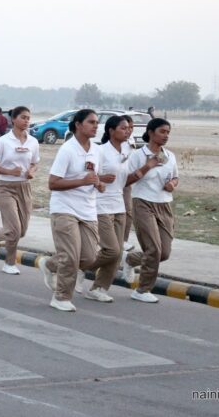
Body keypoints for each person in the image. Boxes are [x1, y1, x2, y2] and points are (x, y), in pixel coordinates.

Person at [38, 109, 103, 312]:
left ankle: (51, 264)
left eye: (96, 122)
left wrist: (99, 184)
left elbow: (94, 177)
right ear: (78, 125)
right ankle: (61, 297)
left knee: (90, 258)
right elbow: (53, 183)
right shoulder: (67, 150)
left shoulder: (96, 150)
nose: (96, 126)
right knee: (71, 256)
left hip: (88, 210)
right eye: (91, 122)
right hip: (64, 209)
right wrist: (82, 181)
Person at [122, 118, 179, 303]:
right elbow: (126, 180)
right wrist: (148, 166)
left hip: (164, 205)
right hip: (143, 203)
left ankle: (130, 259)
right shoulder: (138, 155)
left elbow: (175, 177)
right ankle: (142, 290)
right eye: (162, 131)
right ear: (151, 132)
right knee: (153, 249)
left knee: (164, 253)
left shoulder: (170, 156)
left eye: (168, 132)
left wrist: (172, 184)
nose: (166, 136)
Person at [85, 115, 134, 303]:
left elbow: (126, 179)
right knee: (112, 250)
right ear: (111, 131)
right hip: (100, 205)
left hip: (119, 205)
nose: (127, 131)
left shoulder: (127, 150)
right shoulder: (99, 151)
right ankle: (77, 267)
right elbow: (87, 174)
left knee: (118, 252)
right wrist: (100, 178)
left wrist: (146, 169)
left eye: (129, 128)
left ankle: (99, 288)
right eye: (123, 128)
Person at [0, 106, 40, 275]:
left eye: (28, 118)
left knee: (21, 231)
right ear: (13, 119)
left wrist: (31, 171)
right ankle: (9, 263)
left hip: (24, 187)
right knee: (14, 230)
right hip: (6, 188)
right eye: (23, 117)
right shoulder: (3, 141)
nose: (26, 121)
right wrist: (10, 171)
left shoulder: (33, 142)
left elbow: (35, 163)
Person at [121, 115, 136, 252]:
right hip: (115, 181)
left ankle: (123, 241)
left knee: (128, 211)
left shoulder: (131, 141)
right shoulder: (116, 142)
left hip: (127, 181)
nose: (129, 130)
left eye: (131, 127)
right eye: (126, 127)